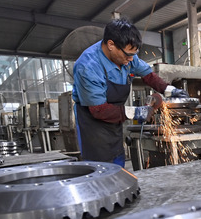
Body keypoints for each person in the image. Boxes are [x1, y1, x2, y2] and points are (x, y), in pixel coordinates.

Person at [72, 18, 188, 167]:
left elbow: (148, 75)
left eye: (134, 54)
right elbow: (98, 110)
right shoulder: (88, 67)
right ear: (111, 45)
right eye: (127, 55)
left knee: (117, 160)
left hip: (114, 119)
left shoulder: (128, 55)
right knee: (99, 168)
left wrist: (170, 90)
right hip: (92, 122)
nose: (131, 59)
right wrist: (137, 112)